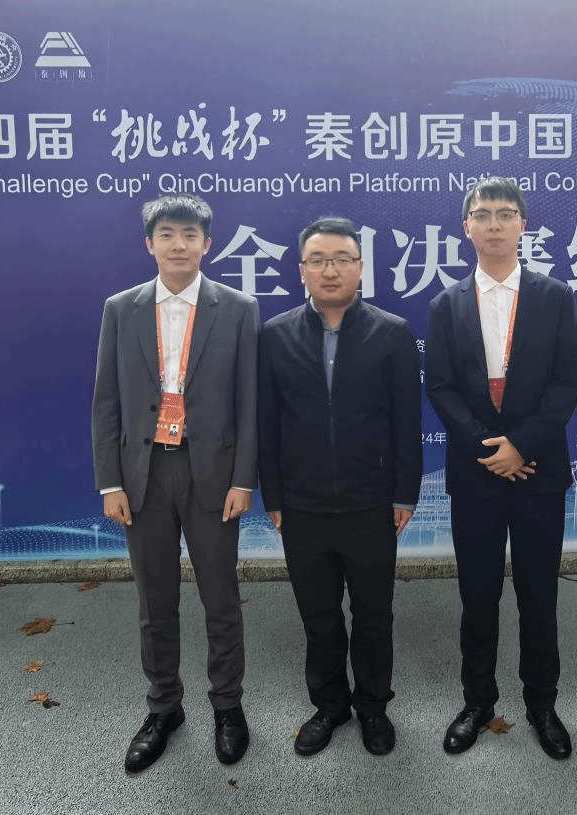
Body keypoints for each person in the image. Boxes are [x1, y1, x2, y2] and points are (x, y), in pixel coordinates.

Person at [92, 194, 258, 773]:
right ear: (150, 244)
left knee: (221, 599)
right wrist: (110, 482)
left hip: (212, 474)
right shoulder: (121, 309)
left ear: (208, 244)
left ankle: (228, 706)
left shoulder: (238, 308)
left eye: (190, 234)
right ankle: (164, 707)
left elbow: (249, 404)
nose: (179, 244)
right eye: (167, 234)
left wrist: (244, 479)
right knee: (154, 602)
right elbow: (106, 402)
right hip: (144, 474)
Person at [425, 178, 577, 760]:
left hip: (538, 471)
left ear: (522, 225)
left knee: (539, 596)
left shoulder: (554, 297)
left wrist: (521, 446)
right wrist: (490, 449)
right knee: (478, 595)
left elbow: (565, 385)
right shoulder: (446, 305)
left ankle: (542, 703)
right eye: (483, 214)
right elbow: (441, 387)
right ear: (466, 226)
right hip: (476, 473)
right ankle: (477, 701)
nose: (494, 224)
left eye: (506, 214)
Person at [258, 217, 422, 757]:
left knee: (374, 617)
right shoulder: (275, 334)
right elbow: (267, 423)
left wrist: (404, 494)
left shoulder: (391, 333)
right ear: (302, 269)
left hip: (370, 503)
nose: (330, 270)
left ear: (360, 267)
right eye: (318, 260)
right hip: (301, 507)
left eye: (342, 260)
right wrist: (273, 496)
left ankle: (373, 706)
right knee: (319, 617)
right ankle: (330, 705)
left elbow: (406, 423)